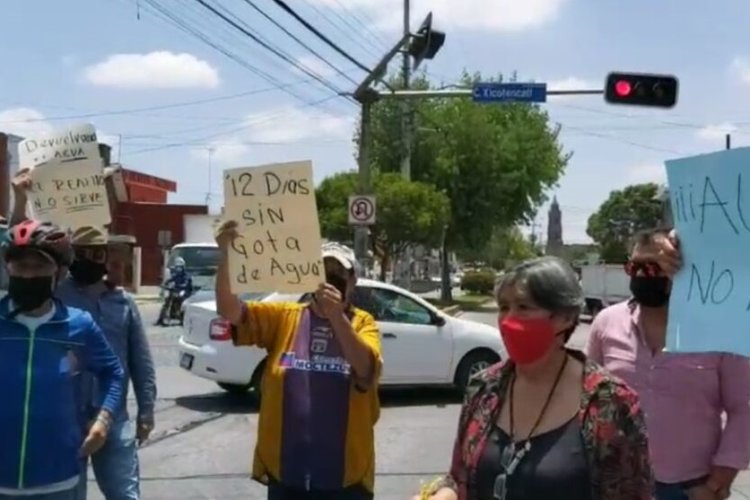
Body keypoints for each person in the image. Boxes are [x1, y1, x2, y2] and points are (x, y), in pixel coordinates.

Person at [417, 256, 653, 500]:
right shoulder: (483, 388)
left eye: (523, 307)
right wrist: (444, 495)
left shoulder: (610, 402)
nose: (508, 320)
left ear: (565, 316)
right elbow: (459, 477)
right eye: (504, 307)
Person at [214, 221, 383, 500]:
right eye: (324, 272)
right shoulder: (286, 317)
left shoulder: (363, 323)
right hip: (288, 474)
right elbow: (230, 310)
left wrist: (336, 317)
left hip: (345, 479)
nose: (330, 279)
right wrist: (227, 256)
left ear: (352, 282)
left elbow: (366, 369)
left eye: (339, 274)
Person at [585, 228, 750, 500]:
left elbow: (743, 408)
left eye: (652, 268)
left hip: (689, 488)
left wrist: (718, 482)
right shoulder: (606, 322)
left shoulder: (719, 331)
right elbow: (585, 397)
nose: (639, 276)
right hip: (615, 483)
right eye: (633, 267)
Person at [0, 219, 125, 500]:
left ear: (58, 272)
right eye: (21, 266)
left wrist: (104, 420)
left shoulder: (79, 325)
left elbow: (113, 372)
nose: (29, 275)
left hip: (59, 481)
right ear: (8, 269)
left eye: (40, 266)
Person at [55, 226, 157, 500]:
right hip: (67, 418)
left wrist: (146, 410)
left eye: (96, 253)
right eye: (81, 253)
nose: (88, 259)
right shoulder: (56, 296)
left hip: (114, 416)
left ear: (105, 256)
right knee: (69, 493)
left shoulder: (123, 303)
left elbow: (141, 361)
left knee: (124, 493)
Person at [157, 256, 193, 326]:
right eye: (177, 267)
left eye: (180, 267)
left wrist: (180, 286)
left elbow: (185, 284)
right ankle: (160, 319)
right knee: (167, 300)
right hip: (176, 290)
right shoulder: (176, 275)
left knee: (183, 302)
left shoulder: (186, 275)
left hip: (185, 292)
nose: (178, 269)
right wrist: (165, 284)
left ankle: (182, 319)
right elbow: (170, 280)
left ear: (183, 267)